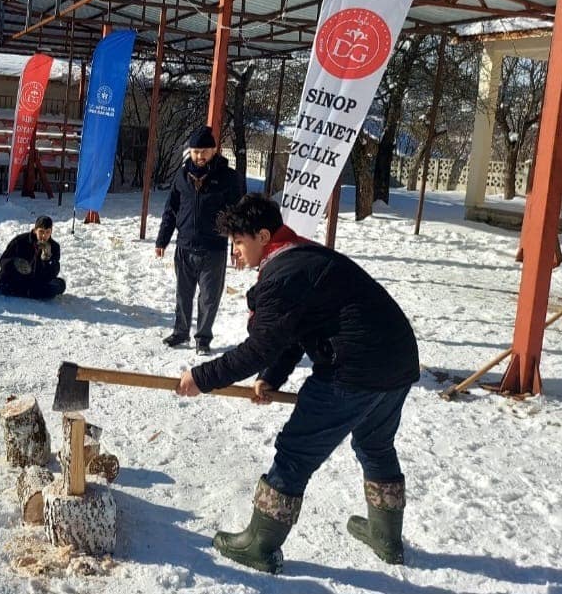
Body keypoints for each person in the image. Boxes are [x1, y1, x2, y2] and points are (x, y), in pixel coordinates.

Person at [175, 193, 419, 574]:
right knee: (375, 442)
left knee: (295, 451)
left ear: (262, 235)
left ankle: (260, 545)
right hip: (398, 361)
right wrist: (271, 378)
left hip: (354, 370)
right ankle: (386, 537)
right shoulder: (299, 258)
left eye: (238, 242)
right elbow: (294, 332)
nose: (234, 252)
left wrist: (202, 377)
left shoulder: (284, 275)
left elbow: (259, 347)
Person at [155, 125, 244, 354]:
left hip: (213, 249)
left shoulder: (228, 177)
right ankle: (180, 332)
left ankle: (203, 338)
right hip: (184, 245)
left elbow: (237, 214)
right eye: (195, 151)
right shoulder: (182, 175)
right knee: (183, 294)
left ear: (214, 150)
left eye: (204, 150)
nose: (199, 156)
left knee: (209, 298)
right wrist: (162, 240)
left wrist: (238, 245)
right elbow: (171, 209)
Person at [0, 215, 65, 299]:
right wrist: (16, 263)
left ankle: (27, 292)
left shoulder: (54, 247)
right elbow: (3, 261)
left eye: (47, 232)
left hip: (36, 281)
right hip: (18, 279)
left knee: (60, 284)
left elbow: (51, 275)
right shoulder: (20, 241)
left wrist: (46, 259)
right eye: (41, 232)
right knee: (5, 284)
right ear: (35, 230)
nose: (44, 236)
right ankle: (31, 292)